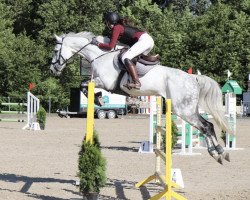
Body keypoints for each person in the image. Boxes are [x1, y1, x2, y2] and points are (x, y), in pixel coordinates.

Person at [91, 11, 155, 89]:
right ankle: (132, 81)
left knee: (125, 57)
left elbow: (110, 47)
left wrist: (97, 43)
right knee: (132, 60)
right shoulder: (119, 27)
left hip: (144, 41)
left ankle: (137, 82)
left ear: (108, 22)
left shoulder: (117, 28)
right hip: (147, 41)